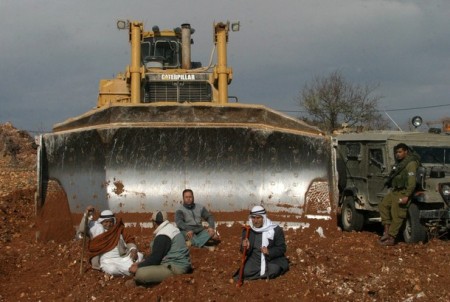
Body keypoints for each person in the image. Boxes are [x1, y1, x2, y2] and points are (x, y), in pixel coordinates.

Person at [128, 211, 192, 286]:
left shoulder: (163, 235)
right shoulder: (171, 229)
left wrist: (138, 266)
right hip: (180, 265)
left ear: (154, 222)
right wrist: (141, 263)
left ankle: (143, 283)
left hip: (175, 268)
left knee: (140, 273)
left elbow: (156, 259)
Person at [77, 206, 143, 276]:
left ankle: (130, 270)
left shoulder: (118, 229)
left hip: (122, 257)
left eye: (110, 222)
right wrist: (88, 214)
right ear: (101, 221)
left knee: (139, 255)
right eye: (106, 222)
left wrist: (133, 250)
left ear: (113, 221)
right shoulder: (96, 229)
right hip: (107, 260)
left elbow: (129, 239)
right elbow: (82, 229)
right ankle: (132, 271)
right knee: (112, 269)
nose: (108, 224)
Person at [379, 143, 420, 246]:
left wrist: (406, 196)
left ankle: (391, 238)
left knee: (397, 213)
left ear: (406, 152)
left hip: (403, 192)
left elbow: (411, 182)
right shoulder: (400, 163)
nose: (398, 154)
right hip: (395, 191)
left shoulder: (411, 164)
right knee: (383, 205)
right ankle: (387, 231)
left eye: (400, 152)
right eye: (397, 152)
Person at [233, 206, 289, 281]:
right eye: (253, 218)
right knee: (246, 271)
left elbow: (282, 248)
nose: (255, 221)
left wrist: (269, 252)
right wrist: (245, 247)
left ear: (264, 218)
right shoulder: (248, 230)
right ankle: (261, 276)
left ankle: (253, 278)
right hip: (255, 259)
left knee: (274, 269)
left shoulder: (276, 230)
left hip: (271, 260)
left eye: (258, 218)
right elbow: (243, 251)